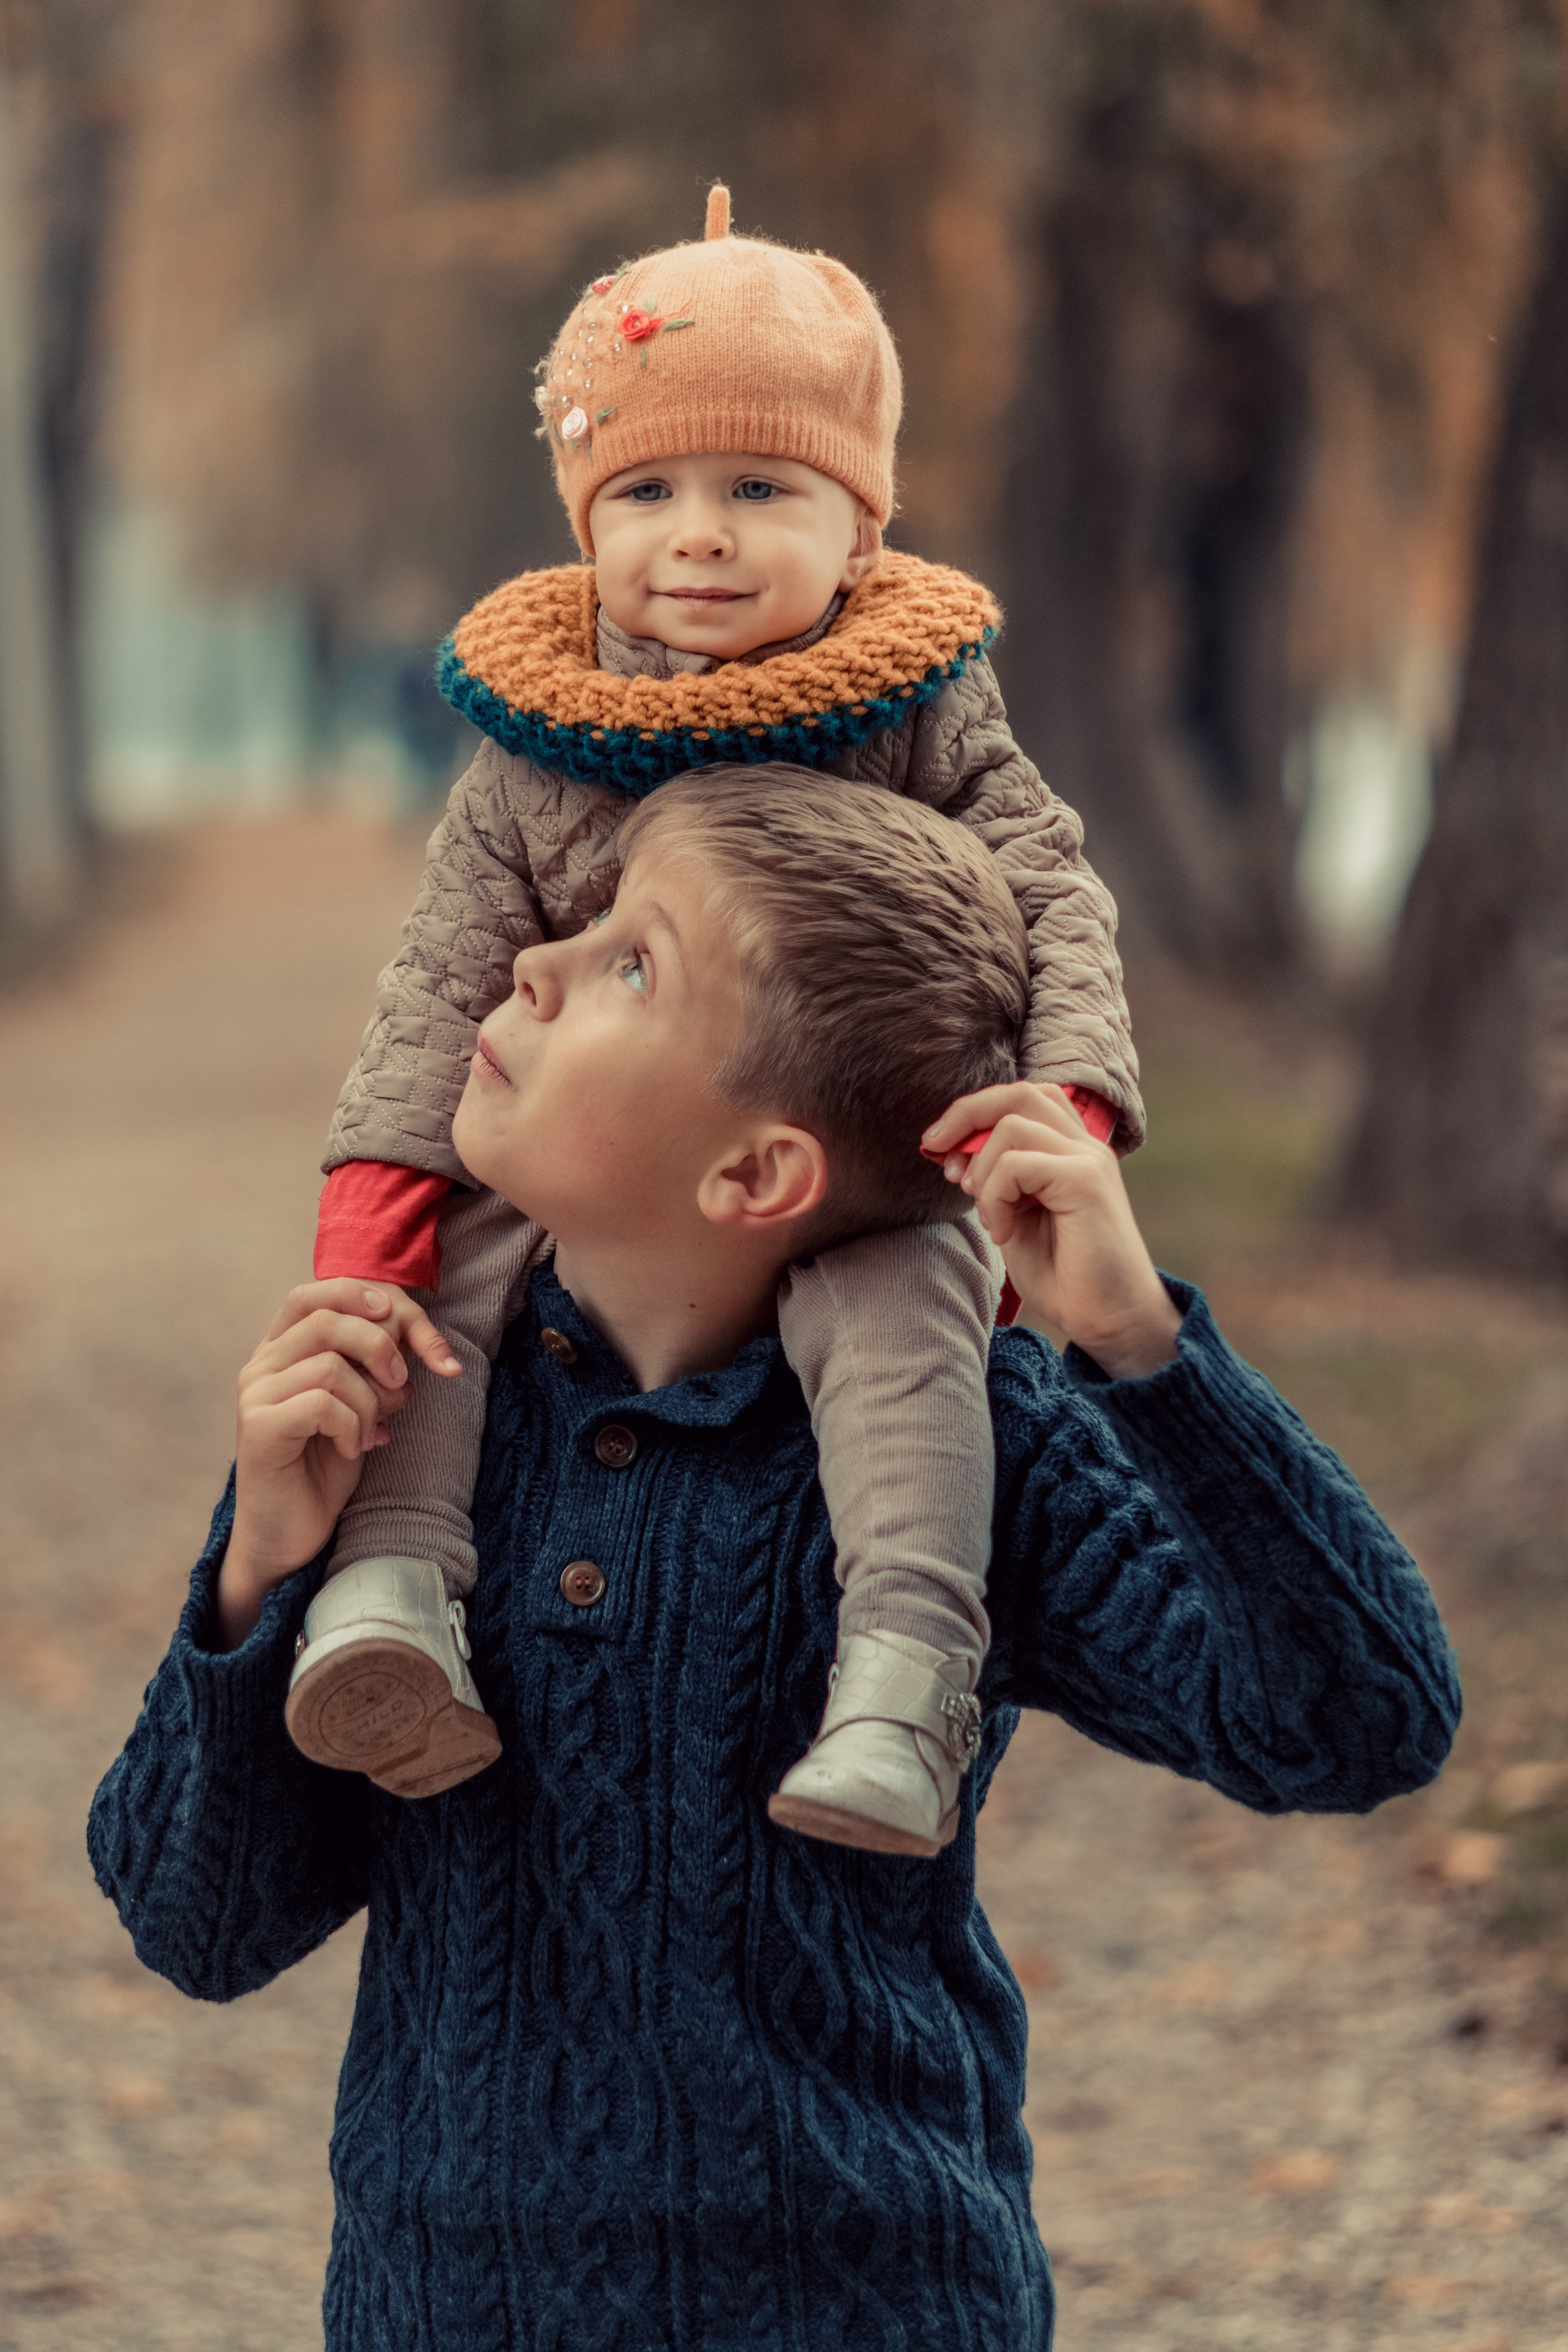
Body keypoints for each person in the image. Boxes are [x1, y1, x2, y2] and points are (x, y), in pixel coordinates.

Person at [89, 772, 1459, 2352]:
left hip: (866, 2297)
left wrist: (1139, 1345)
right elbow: (195, 1923)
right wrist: (267, 1563)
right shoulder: (407, 1419)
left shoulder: (968, 1443)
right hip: (451, 2308)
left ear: (754, 1176)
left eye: (630, 963)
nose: (533, 959)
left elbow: (1358, 1719)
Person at [296, 181, 1143, 1847]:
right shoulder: (542, 741)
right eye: (651, 491)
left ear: (861, 530)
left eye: (761, 488)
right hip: (605, 1147)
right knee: (440, 1279)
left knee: (906, 1306)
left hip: (840, 1131)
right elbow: (444, 974)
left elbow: (1049, 883)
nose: (699, 533)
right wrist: (370, 1205)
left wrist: (1074, 1109)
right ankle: (391, 1583)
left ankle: (905, 1672)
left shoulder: (915, 707)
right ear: (585, 517)